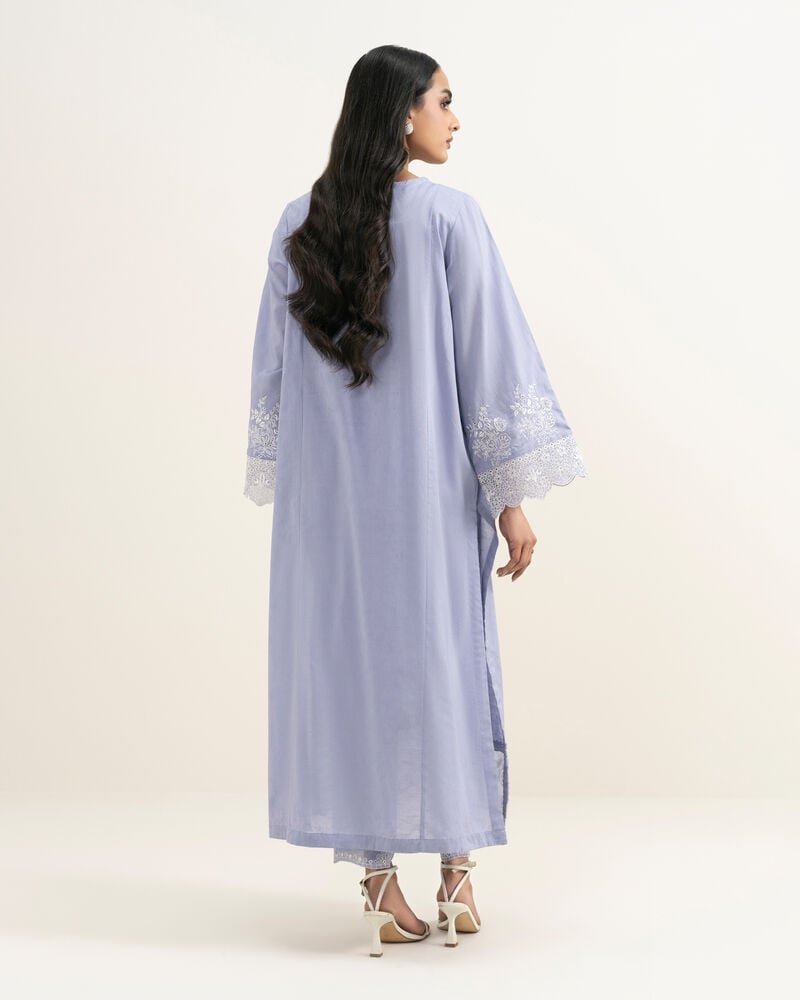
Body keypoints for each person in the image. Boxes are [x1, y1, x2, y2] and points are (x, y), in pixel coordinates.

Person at [243, 45, 588, 955]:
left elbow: (274, 375)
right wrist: (510, 497)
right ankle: (458, 872)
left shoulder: (300, 223)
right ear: (403, 112)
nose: (455, 119)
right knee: (443, 661)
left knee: (350, 666)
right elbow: (489, 357)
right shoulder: (448, 217)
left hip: (331, 505)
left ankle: (378, 882)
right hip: (428, 492)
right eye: (443, 101)